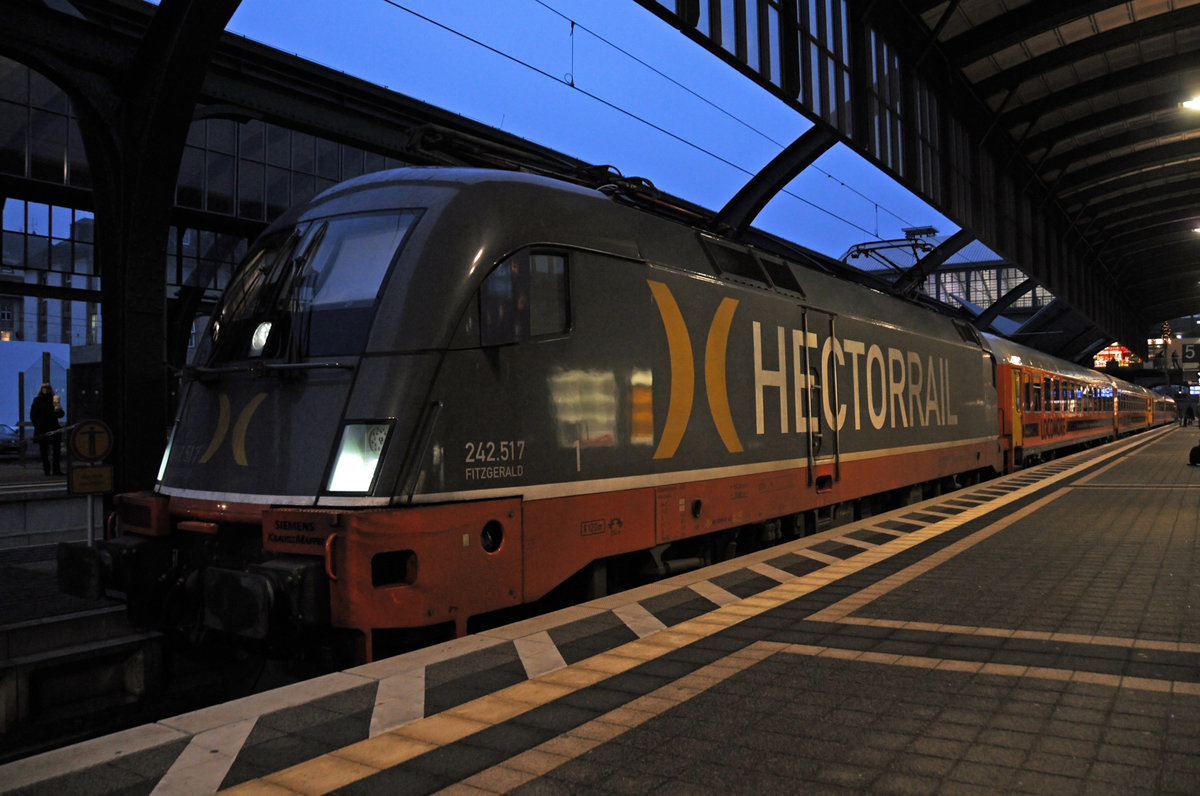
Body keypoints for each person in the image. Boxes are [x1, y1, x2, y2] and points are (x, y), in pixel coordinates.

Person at [30, 382, 64, 476]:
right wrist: (37, 426)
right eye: (44, 388)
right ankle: (47, 470)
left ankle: (56, 470)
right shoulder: (37, 400)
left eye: (48, 388)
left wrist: (58, 408)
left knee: (56, 451)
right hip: (43, 429)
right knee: (44, 451)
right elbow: (33, 415)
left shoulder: (53, 400)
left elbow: (60, 414)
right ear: (41, 390)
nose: (46, 390)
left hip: (53, 428)